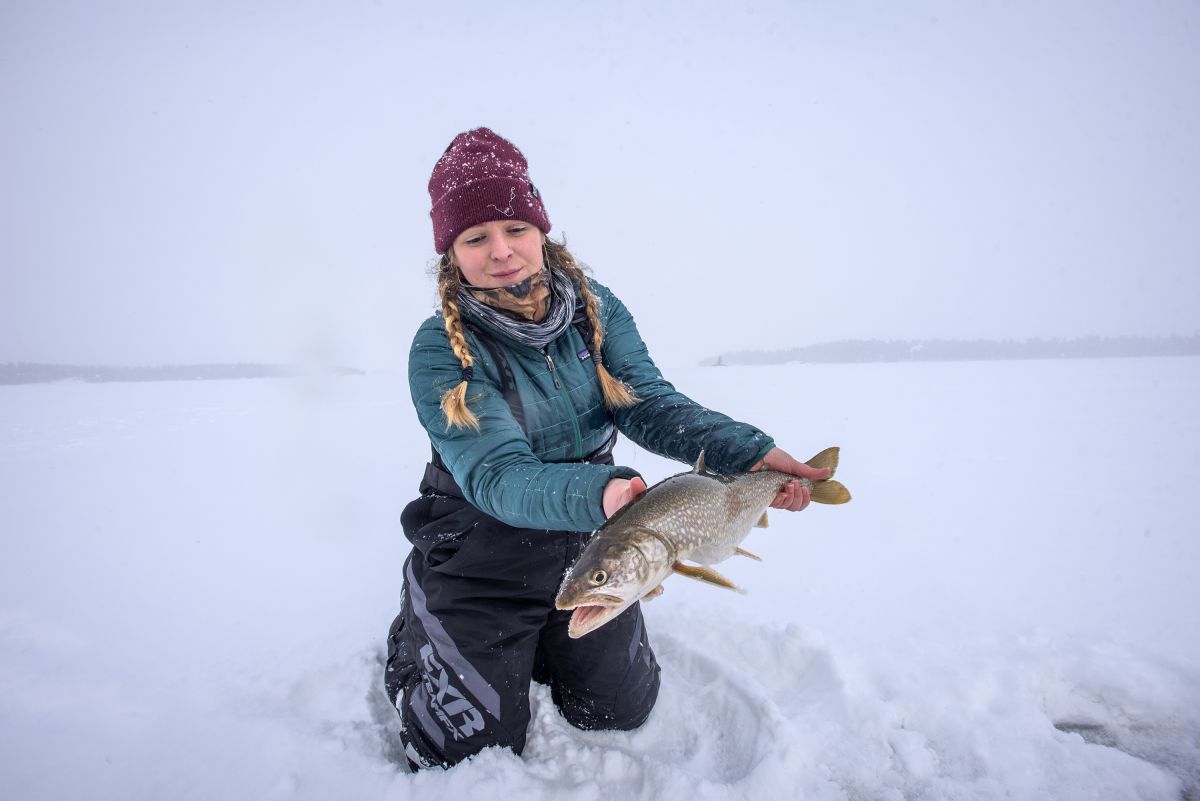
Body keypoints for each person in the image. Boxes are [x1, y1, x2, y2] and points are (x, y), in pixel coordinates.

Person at [383, 127, 829, 770]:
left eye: (514, 228)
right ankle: (420, 625)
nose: (502, 251)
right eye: (476, 238)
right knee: (463, 748)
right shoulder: (440, 348)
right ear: (451, 254)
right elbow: (499, 475)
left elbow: (646, 402)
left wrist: (747, 454)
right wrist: (601, 493)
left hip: (589, 538)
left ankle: (533, 638)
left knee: (618, 708)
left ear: (542, 230)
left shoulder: (596, 309)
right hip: (481, 544)